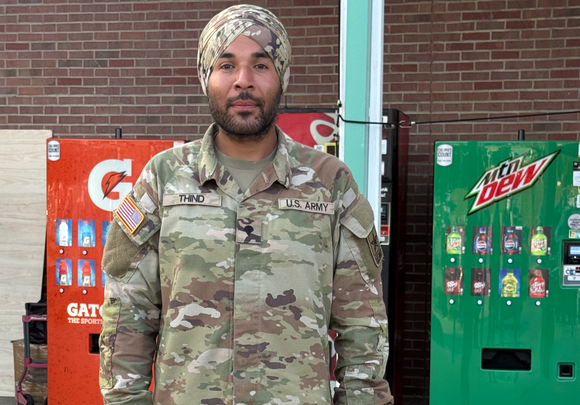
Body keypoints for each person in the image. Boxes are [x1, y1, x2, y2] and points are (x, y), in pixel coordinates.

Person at [99, 4, 393, 405]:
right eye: (226, 65)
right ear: (205, 78)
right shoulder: (164, 179)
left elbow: (362, 323)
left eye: (260, 65)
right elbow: (128, 312)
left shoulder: (330, 183)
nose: (243, 81)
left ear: (281, 77)